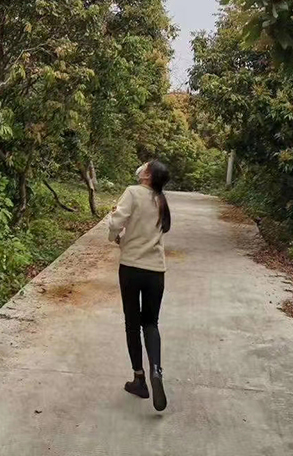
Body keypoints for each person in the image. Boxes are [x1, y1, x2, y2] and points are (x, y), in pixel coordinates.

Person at [107, 160, 171, 412]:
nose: (142, 168)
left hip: (132, 267)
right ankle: (156, 370)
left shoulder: (133, 192)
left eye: (146, 167)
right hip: (156, 271)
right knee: (151, 323)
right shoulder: (161, 199)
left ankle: (139, 379)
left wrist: (114, 237)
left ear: (147, 176)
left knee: (132, 324)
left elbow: (116, 222)